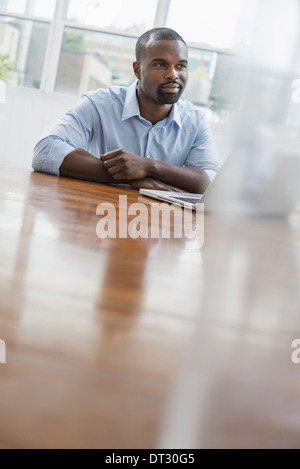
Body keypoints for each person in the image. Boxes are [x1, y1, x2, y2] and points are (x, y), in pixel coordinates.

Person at [32, 28, 221, 194]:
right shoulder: (98, 104)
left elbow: (212, 181)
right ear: (137, 70)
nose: (173, 74)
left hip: (158, 224)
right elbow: (45, 150)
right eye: (160, 64)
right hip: (99, 218)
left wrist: (149, 167)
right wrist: (130, 178)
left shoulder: (196, 121)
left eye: (181, 66)